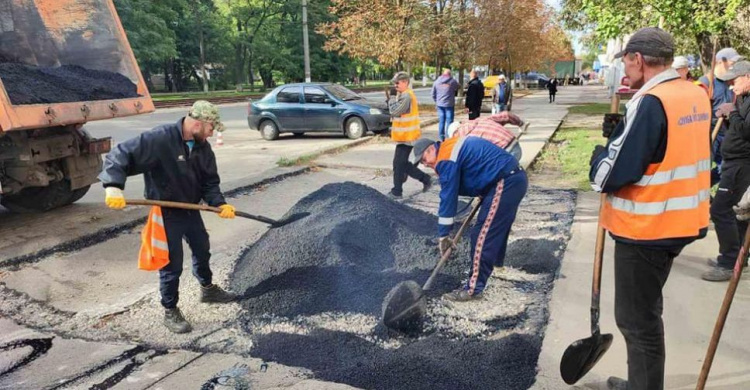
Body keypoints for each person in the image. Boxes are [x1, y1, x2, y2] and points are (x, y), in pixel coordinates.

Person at [588, 28, 711, 390]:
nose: (624, 69)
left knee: (636, 321)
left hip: (647, 226)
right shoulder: (694, 94)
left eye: (626, 61)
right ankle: (639, 382)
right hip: (683, 221)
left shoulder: (651, 100)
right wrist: (621, 134)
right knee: (645, 314)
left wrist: (600, 156)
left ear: (638, 59)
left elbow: (611, 175)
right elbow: (666, 148)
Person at [99, 101, 239, 334]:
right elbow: (121, 153)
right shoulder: (161, 139)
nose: (212, 132)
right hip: (166, 213)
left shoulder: (203, 148)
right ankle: (170, 310)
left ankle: (208, 289)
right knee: (171, 264)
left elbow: (210, 183)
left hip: (191, 209)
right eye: (210, 127)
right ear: (197, 123)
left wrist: (220, 204)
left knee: (202, 249)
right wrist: (113, 185)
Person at [410, 135, 527, 301]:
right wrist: (483, 190)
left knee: (481, 234)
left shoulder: (445, 158)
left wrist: (444, 234)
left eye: (424, 159)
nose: (425, 164)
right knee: (496, 226)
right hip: (510, 180)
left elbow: (448, 197)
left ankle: (473, 290)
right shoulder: (448, 149)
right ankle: (496, 265)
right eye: (422, 163)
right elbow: (474, 168)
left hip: (505, 181)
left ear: (430, 149)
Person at [702, 60, 750, 281]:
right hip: (733, 161)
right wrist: (729, 114)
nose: (731, 85)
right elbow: (739, 129)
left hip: (742, 164)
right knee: (738, 213)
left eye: (735, 80)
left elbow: (747, 131)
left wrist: (732, 114)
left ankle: (729, 262)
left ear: (748, 76)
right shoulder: (742, 98)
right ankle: (739, 257)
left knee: (721, 210)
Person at [700, 48, 743, 186]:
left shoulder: (729, 82)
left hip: (725, 131)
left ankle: (706, 188)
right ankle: (702, 193)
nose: (733, 66)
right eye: (732, 62)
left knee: (725, 167)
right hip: (707, 132)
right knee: (702, 169)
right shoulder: (705, 83)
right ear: (720, 62)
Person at [386, 71, 432, 199]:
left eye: (397, 83)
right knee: (401, 163)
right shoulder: (404, 94)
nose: (395, 85)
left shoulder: (407, 96)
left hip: (407, 136)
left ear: (405, 82)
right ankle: (425, 179)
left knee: (399, 163)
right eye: (394, 83)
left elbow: (394, 111)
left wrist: (391, 98)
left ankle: (397, 191)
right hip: (404, 136)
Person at [446, 111, 530, 161]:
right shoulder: (480, 120)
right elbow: (506, 115)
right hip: (515, 145)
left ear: (454, 134)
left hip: (505, 154)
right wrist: (521, 124)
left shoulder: (465, 140)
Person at [431, 68, 460, 141]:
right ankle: (448, 137)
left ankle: (441, 138)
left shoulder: (437, 81)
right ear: (450, 74)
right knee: (449, 121)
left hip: (440, 105)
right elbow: (458, 87)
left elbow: (432, 94)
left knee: (441, 121)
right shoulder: (452, 81)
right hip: (449, 105)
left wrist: (437, 101)